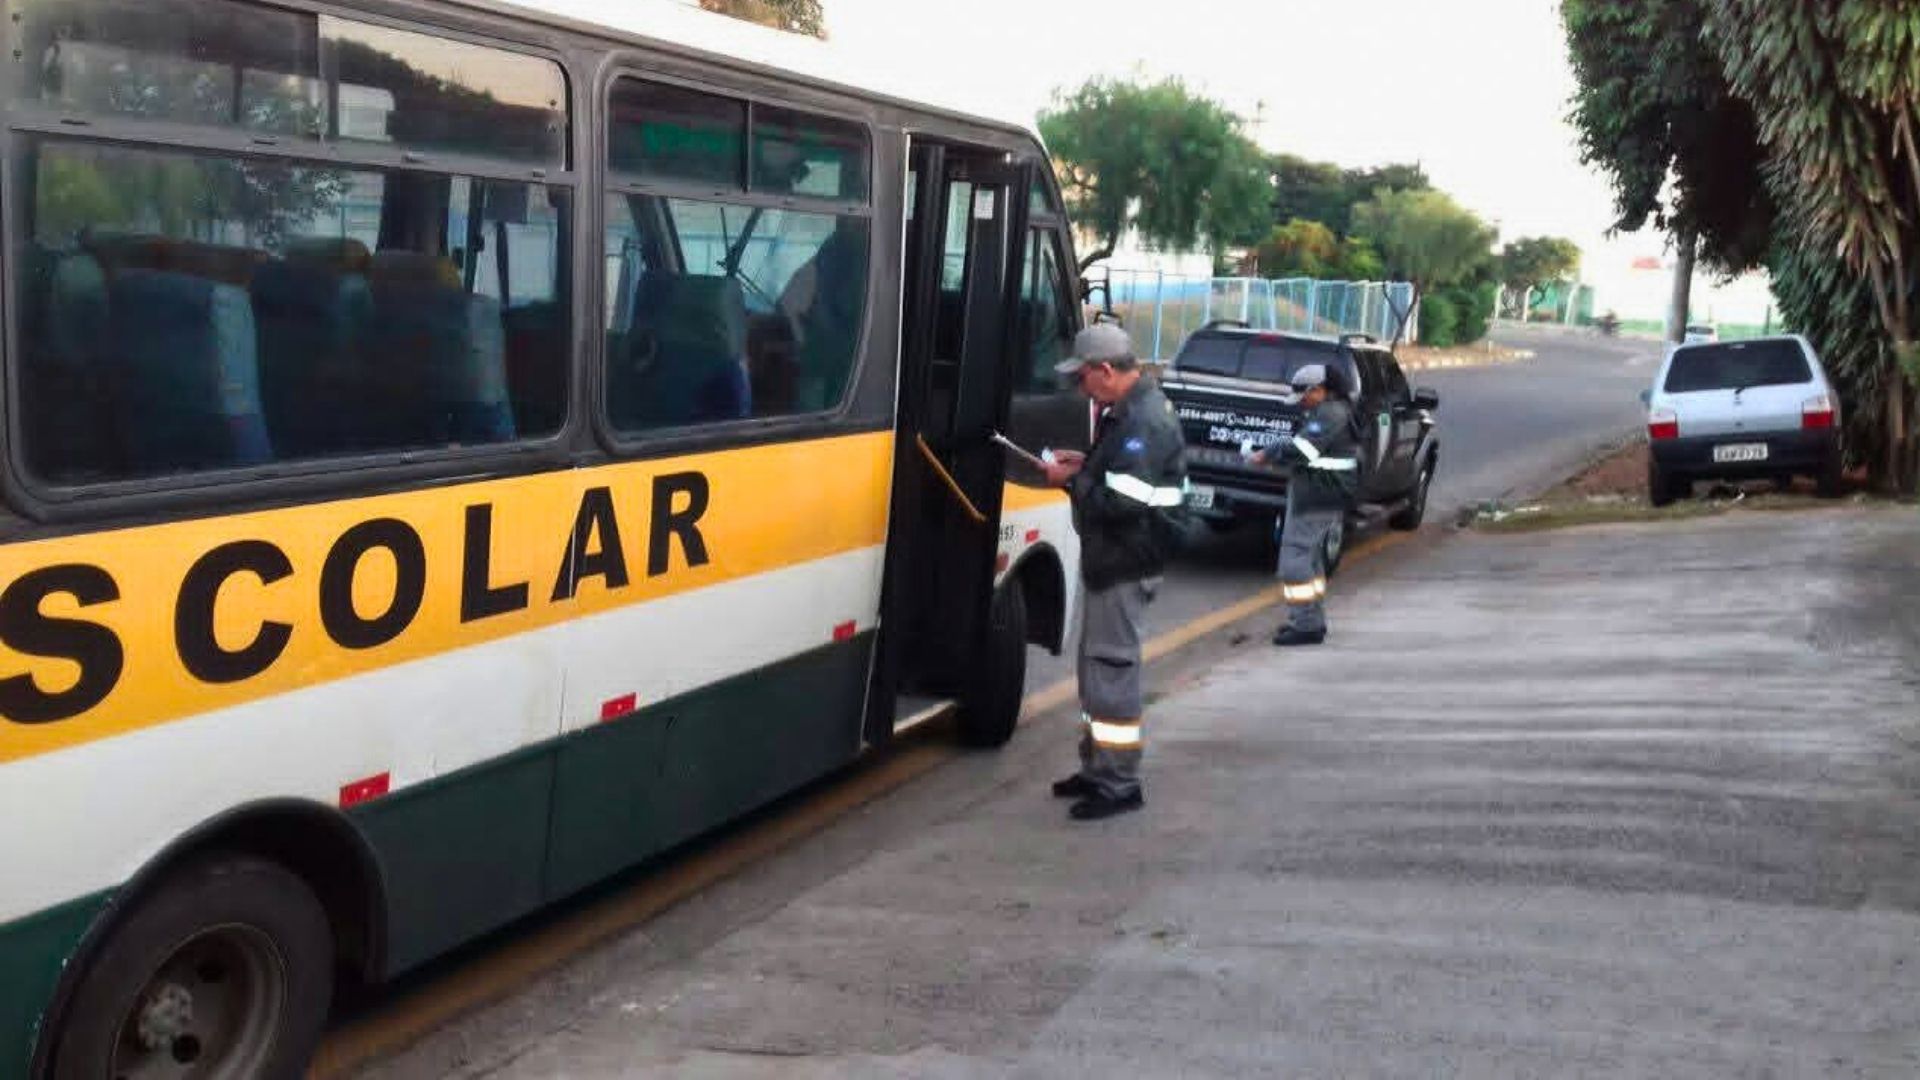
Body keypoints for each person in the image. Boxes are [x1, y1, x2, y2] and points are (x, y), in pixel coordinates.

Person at [1040, 323, 1188, 821]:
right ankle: (1097, 767)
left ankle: (1119, 782)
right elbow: (1122, 477)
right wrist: (1085, 465)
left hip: (1126, 561)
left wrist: (1072, 481)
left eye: (1082, 378)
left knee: (1112, 674)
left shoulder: (1143, 421)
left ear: (1105, 371)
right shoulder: (1128, 412)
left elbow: (1123, 502)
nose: (1081, 389)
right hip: (1113, 561)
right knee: (1096, 673)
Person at [1248, 363, 1359, 646]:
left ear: (1319, 390)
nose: (1301, 403)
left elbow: (1303, 450)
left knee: (1294, 560)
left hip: (1320, 495)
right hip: (1319, 493)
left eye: (1304, 396)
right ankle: (1311, 620)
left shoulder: (1330, 414)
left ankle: (1306, 624)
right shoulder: (1329, 411)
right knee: (1310, 559)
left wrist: (1269, 453)